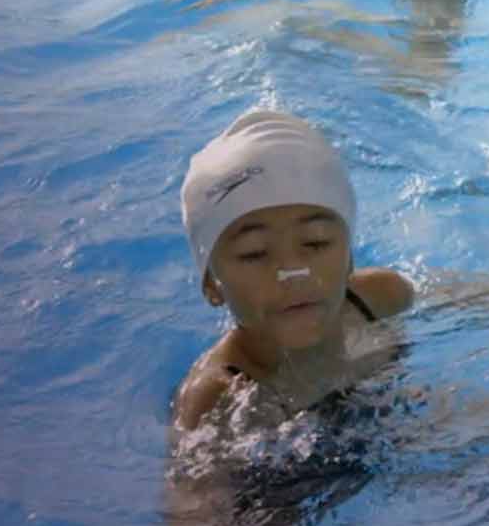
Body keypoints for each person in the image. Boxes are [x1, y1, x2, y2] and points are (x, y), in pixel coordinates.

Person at [171, 110, 414, 435]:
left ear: (349, 258)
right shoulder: (218, 399)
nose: (292, 271)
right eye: (254, 253)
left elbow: (485, 300)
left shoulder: (382, 298)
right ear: (211, 285)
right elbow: (193, 487)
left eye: (316, 243)